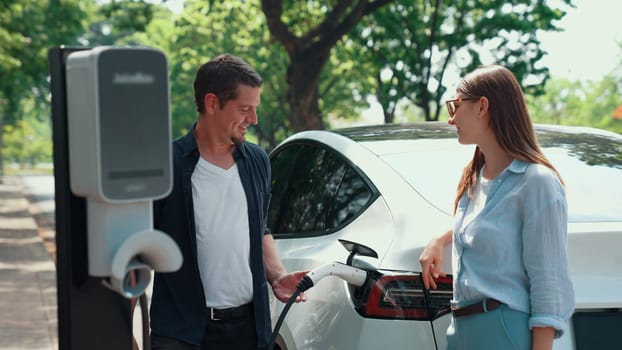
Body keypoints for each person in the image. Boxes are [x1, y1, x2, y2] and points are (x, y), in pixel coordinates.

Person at [147, 53, 307, 350]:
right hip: (182, 334)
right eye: (245, 109)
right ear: (211, 103)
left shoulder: (257, 160)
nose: (254, 119)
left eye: (255, 109)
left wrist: (277, 275)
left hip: (248, 331)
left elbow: (259, 227)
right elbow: (140, 249)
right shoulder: (167, 165)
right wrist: (126, 329)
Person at [418, 65, 574, 350]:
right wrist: (439, 239)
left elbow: (548, 285)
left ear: (482, 107)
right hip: (461, 330)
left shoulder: (536, 182)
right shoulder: (475, 178)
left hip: (503, 330)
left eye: (455, 105)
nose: (451, 119)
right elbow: (487, 223)